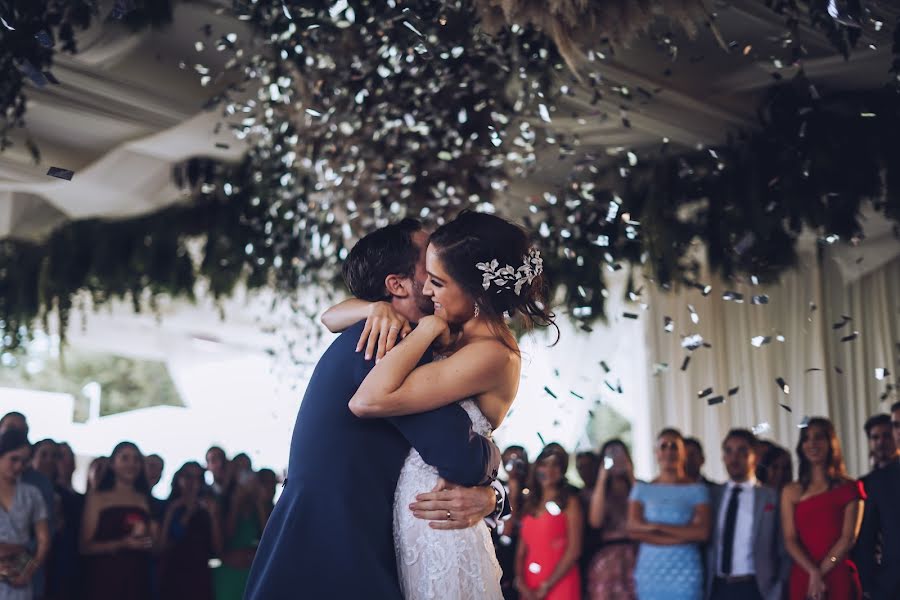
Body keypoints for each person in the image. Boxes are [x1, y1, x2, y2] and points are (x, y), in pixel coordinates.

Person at [244, 218, 505, 600]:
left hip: (335, 541)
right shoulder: (387, 342)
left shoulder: (385, 333)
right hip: (335, 551)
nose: (440, 264)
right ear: (397, 285)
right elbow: (458, 455)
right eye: (428, 260)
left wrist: (494, 497)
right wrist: (495, 454)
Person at [344, 210, 555, 599]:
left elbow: (370, 399)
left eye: (437, 282)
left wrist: (427, 329)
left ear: (475, 291)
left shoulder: (491, 354)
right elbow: (331, 314)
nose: (427, 291)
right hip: (418, 519)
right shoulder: (455, 332)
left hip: (443, 526)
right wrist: (374, 308)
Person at [782, 417, 865, 600]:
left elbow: (848, 538)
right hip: (804, 573)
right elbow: (790, 539)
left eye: (819, 437)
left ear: (831, 443)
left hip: (838, 573)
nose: (812, 443)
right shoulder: (790, 491)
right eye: (806, 438)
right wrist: (813, 572)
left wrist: (821, 571)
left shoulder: (850, 487)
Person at [706, 429, 790, 600]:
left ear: (756, 456)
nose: (734, 457)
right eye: (728, 451)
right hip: (717, 588)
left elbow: (784, 549)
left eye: (742, 450)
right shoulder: (712, 495)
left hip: (756, 588)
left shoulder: (771, 497)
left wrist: (777, 590)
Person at [627, 428, 710, 600]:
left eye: (674, 446)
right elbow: (633, 529)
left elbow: (702, 533)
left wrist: (654, 527)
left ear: (683, 452)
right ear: (656, 453)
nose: (669, 451)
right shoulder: (642, 489)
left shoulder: (697, 490)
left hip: (686, 572)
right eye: (664, 446)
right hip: (650, 572)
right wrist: (684, 534)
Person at [80, 441, 155, 600]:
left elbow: (155, 540)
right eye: (125, 458)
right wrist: (122, 544)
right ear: (113, 464)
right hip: (106, 578)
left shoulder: (145, 499)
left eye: (136, 459)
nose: (131, 464)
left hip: (138, 578)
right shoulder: (97, 498)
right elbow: (85, 546)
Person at [0, 413, 56, 600]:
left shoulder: (32, 493)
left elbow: (44, 539)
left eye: (24, 462)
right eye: (13, 459)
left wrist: (29, 570)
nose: (18, 466)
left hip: (18, 577)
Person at [516, 445, 582, 600]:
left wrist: (547, 585)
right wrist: (521, 582)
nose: (549, 470)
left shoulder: (570, 502)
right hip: (530, 584)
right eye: (544, 464)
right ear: (537, 467)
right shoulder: (529, 503)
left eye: (555, 465)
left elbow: (574, 550)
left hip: (560, 582)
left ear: (563, 469)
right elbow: (521, 551)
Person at [855, 401, 900, 600]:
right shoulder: (876, 482)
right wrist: (869, 585)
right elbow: (866, 540)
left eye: (887, 434)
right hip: (891, 585)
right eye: (897, 425)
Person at [158, 462, 221, 600]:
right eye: (187, 476)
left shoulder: (206, 509)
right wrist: (178, 513)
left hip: (199, 577)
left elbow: (217, 549)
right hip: (172, 576)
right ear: (179, 478)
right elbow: (162, 547)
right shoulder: (168, 507)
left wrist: (213, 516)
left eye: (197, 478)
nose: (192, 482)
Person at [586, 439, 637, 600]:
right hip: (607, 559)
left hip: (635, 555)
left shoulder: (637, 487)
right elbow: (595, 521)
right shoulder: (598, 492)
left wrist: (630, 474)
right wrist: (602, 477)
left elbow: (644, 513)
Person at [496, 446, 529, 600]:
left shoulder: (532, 491)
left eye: (518, 460)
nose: (513, 465)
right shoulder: (496, 487)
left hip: (524, 552)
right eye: (509, 460)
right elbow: (504, 529)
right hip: (500, 550)